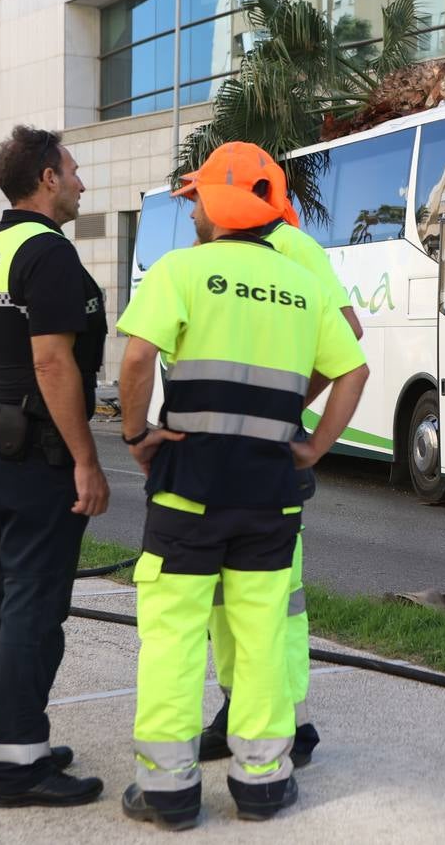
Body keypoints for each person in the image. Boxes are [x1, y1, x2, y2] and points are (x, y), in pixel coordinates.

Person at [117, 141, 368, 830]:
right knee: (261, 636)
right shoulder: (305, 285)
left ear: (219, 200)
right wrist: (314, 445)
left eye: (197, 196)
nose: (192, 206)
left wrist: (136, 435)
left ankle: (167, 792)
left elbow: (137, 357)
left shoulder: (182, 270)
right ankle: (261, 782)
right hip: (270, 494)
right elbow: (354, 370)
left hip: (187, 491)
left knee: (174, 635)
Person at [192, 158, 363, 772]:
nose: (194, 208)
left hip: (260, 453)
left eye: (203, 195)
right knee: (224, 597)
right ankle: (242, 708)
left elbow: (348, 335)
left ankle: (291, 720)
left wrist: (288, 406)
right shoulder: (213, 253)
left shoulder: (292, 246)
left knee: (274, 597)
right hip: (224, 452)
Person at [0, 125, 109, 808]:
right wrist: (86, 460)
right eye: (73, 171)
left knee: (0, 594)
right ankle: (22, 767)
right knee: (34, 606)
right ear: (46, 178)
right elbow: (52, 363)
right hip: (39, 450)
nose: (81, 182)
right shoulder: (48, 253)